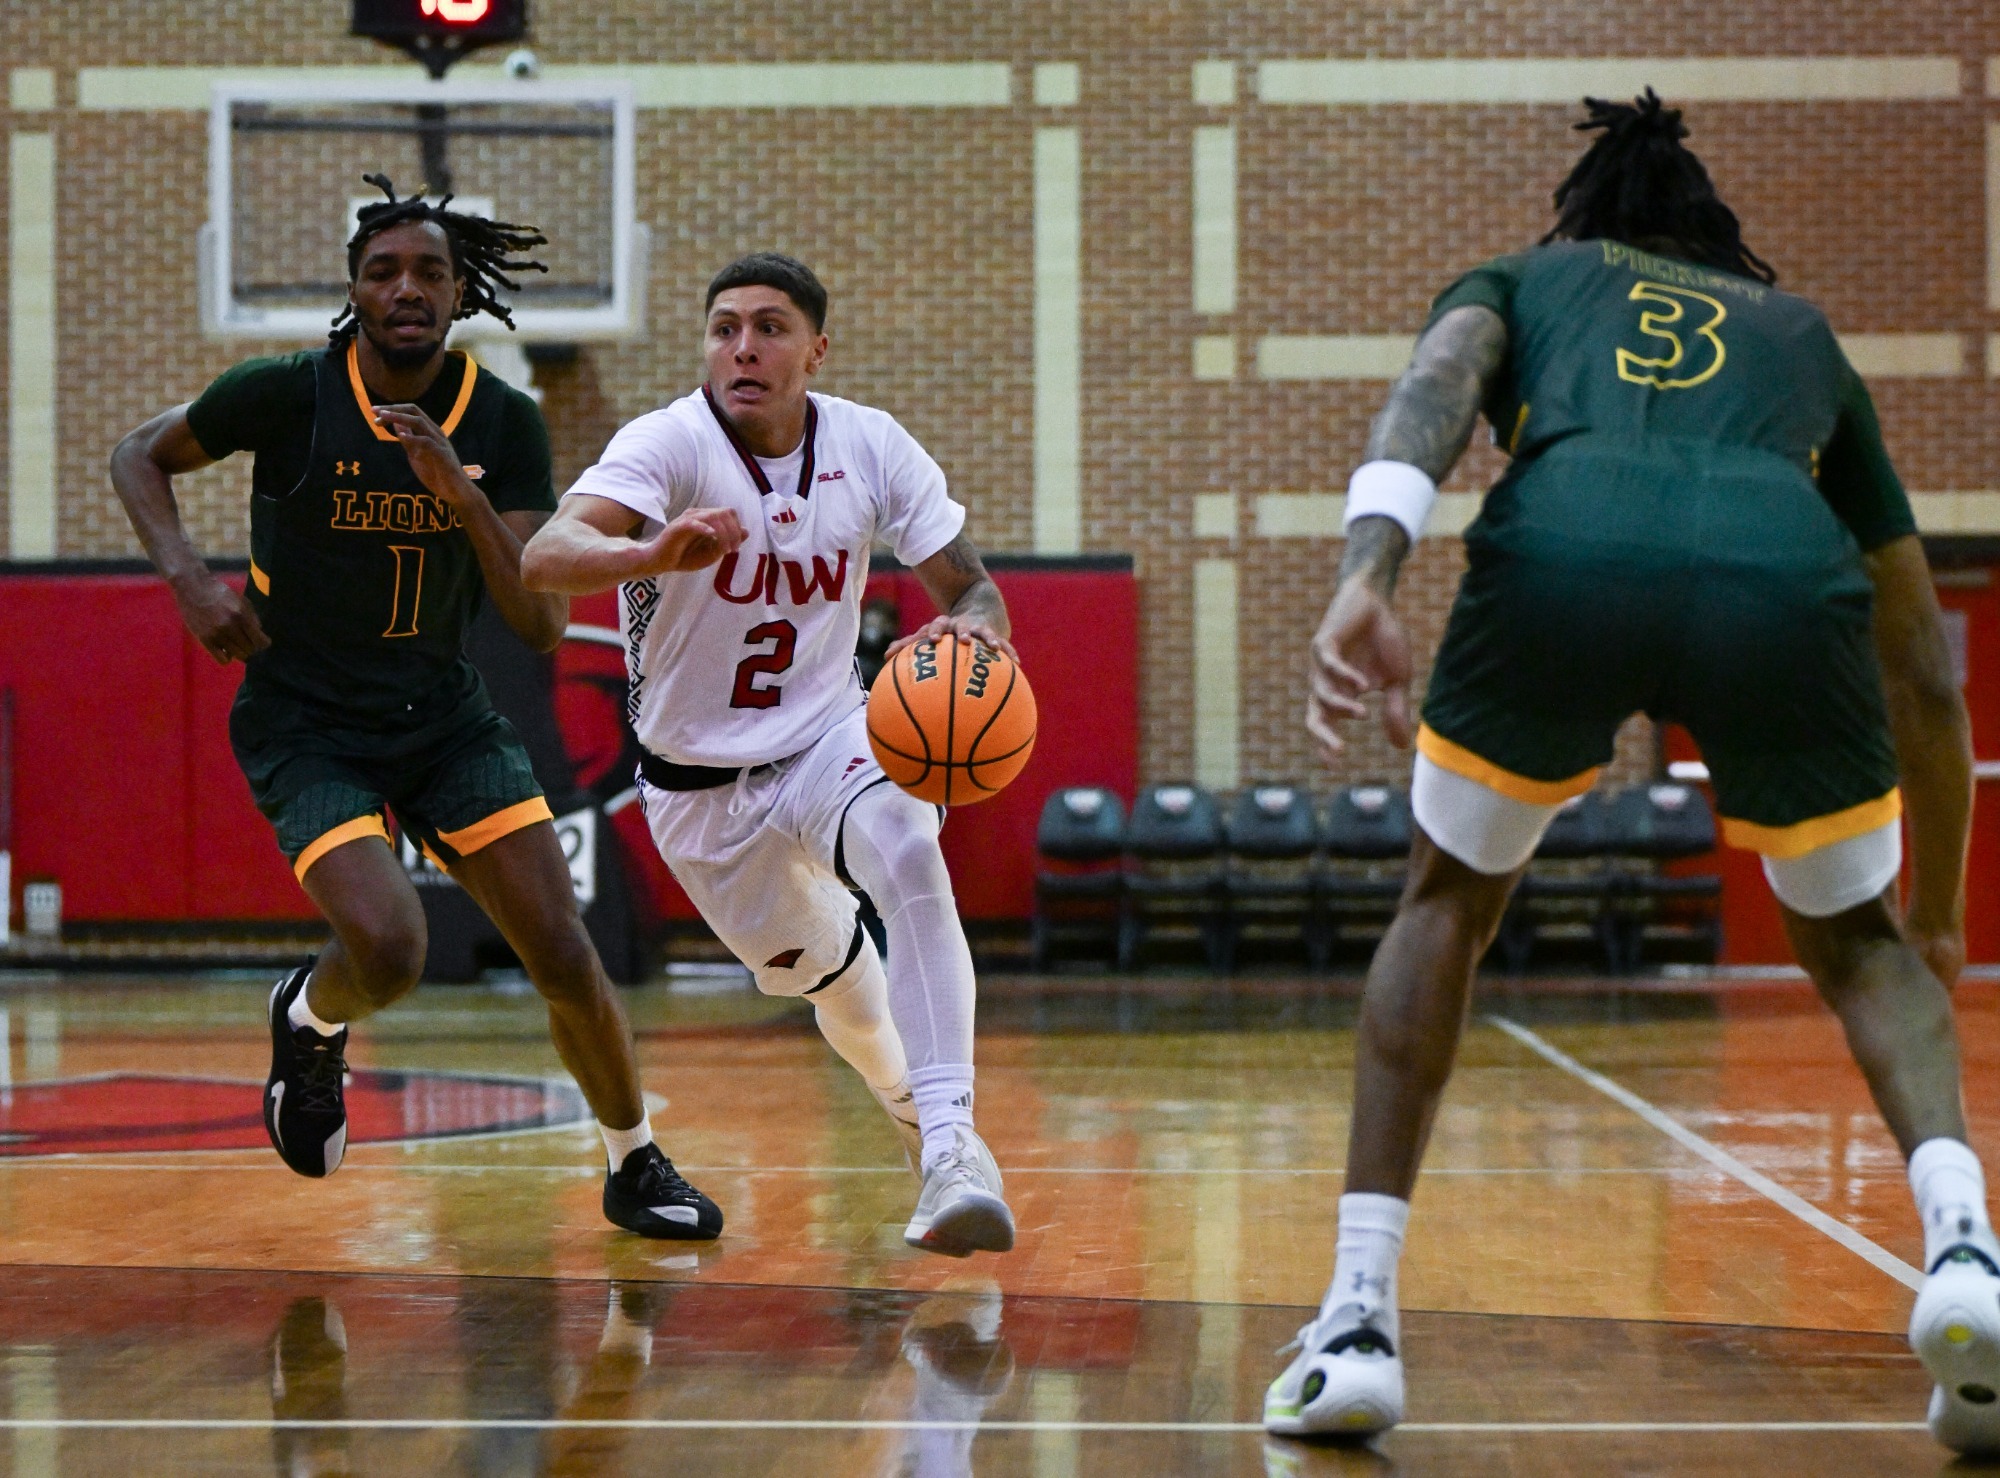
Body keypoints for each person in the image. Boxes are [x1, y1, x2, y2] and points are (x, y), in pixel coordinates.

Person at [1266, 93, 1996, 1455]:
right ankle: (1966, 1248)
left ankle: (1358, 1321)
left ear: (1587, 223)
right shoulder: (1800, 338)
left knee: (1445, 903)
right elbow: (1928, 675)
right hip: (1780, 565)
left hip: (1566, 545)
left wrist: (1370, 573)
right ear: (1717, 245)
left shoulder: (1529, 279)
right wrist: (1938, 916)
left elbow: (1438, 379)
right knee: (1856, 943)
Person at [108, 175, 720, 1241]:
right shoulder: (286, 393)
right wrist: (190, 583)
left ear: (457, 293)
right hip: (306, 720)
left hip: (443, 718)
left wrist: (462, 491)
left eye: (430, 271)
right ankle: (310, 1017)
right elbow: (138, 455)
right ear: (355, 288)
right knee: (390, 948)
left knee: (561, 948)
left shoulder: (501, 418)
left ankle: (633, 1162)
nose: (407, 287)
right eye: (385, 270)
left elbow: (533, 624)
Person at [520, 252, 1017, 1257]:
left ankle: (956, 1144)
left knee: (910, 849)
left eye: (769, 326)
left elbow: (973, 591)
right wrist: (645, 554)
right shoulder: (665, 442)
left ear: (815, 347)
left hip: (831, 734)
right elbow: (544, 555)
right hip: (699, 794)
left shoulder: (870, 444)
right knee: (843, 989)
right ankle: (911, 1111)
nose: (742, 346)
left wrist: (976, 634)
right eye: (723, 327)